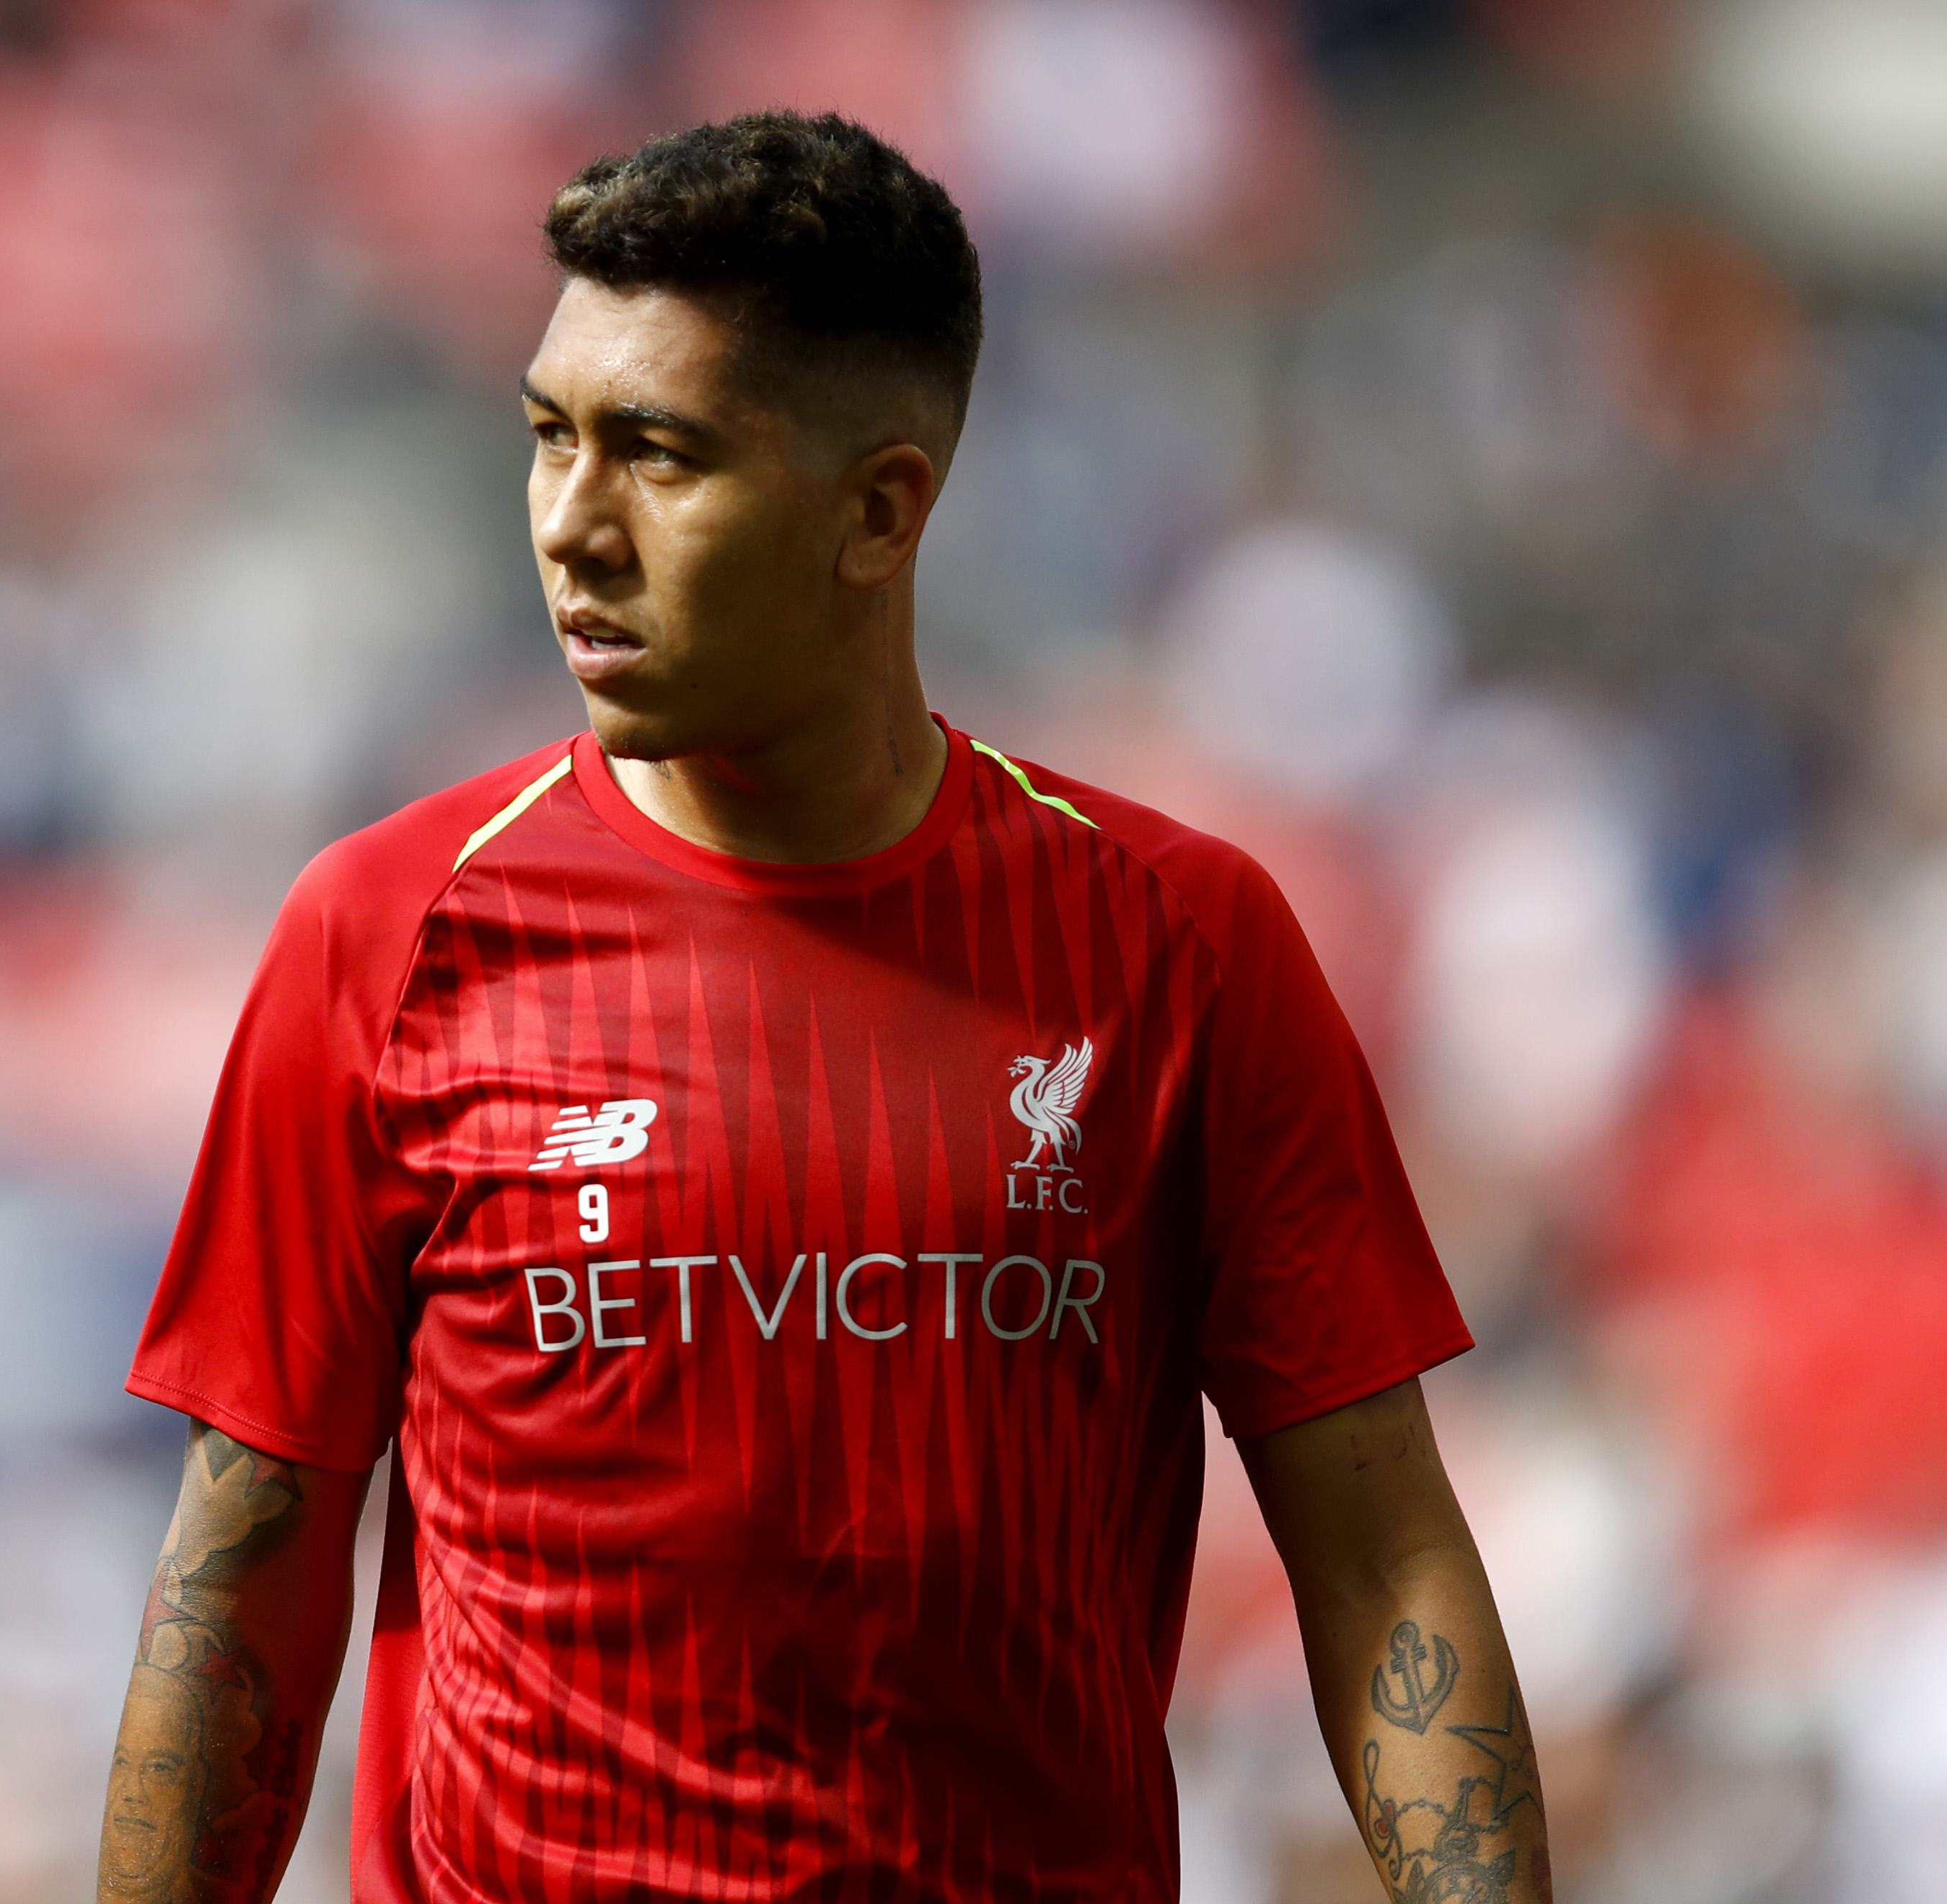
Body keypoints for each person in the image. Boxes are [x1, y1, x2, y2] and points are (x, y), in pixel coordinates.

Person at [101, 111, 1551, 1904]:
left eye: (661, 455)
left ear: (879, 509)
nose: (572, 525)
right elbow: (240, 1571)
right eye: (549, 437)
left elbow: (1377, 1554)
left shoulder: (1177, 943)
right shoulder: (385, 932)